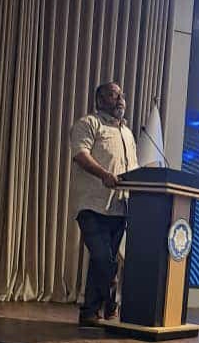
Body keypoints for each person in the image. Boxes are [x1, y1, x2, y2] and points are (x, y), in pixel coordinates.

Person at [70, 82, 139, 327]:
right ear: (99, 100)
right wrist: (104, 175)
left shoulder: (127, 133)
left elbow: (133, 169)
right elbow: (81, 155)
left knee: (104, 260)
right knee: (102, 258)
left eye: (122, 95)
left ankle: (90, 311)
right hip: (92, 205)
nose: (120, 99)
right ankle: (110, 302)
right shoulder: (88, 123)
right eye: (113, 95)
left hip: (120, 208)